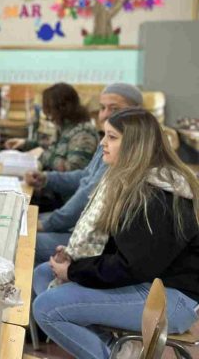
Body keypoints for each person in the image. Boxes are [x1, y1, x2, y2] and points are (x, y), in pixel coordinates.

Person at [32, 108, 199, 359]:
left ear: (133, 145)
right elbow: (121, 250)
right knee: (44, 272)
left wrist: (75, 271)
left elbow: (132, 267)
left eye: (111, 137)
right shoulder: (133, 182)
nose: (102, 143)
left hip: (169, 299)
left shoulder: (155, 196)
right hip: (147, 282)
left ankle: (113, 354)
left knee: (46, 307)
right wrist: (75, 260)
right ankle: (119, 349)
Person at [29, 83, 143, 264]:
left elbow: (88, 193)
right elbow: (85, 176)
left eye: (114, 108)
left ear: (137, 111)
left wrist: (48, 224)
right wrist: (47, 179)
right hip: (81, 224)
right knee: (23, 224)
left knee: (23, 241)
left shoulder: (126, 149)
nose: (105, 114)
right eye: (102, 108)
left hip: (97, 241)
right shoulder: (109, 140)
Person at [5, 82, 98, 173]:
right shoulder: (66, 128)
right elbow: (54, 147)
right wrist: (26, 144)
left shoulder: (84, 133)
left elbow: (72, 170)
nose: (49, 117)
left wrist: (44, 156)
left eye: (50, 111)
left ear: (62, 109)